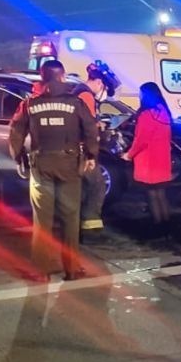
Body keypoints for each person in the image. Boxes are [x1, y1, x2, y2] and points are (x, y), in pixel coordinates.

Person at [8, 60, 99, 282]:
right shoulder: (76, 103)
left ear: (42, 77)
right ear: (62, 76)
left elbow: (16, 132)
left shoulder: (29, 104)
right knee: (70, 217)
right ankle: (72, 269)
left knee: (42, 219)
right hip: (69, 165)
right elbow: (90, 129)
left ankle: (42, 271)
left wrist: (18, 157)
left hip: (41, 165)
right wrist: (91, 155)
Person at [121, 82, 173, 230]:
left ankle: (158, 227)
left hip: (148, 161)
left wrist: (129, 155)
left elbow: (140, 140)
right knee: (161, 193)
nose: (139, 96)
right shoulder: (164, 112)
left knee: (151, 194)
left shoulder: (146, 115)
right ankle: (167, 226)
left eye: (141, 93)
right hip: (162, 160)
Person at [72, 63, 112, 240]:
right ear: (97, 82)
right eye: (102, 86)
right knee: (97, 185)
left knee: (83, 187)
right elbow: (88, 125)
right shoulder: (86, 96)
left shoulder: (76, 92)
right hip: (82, 149)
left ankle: (78, 227)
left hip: (73, 148)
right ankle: (90, 229)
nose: (102, 90)